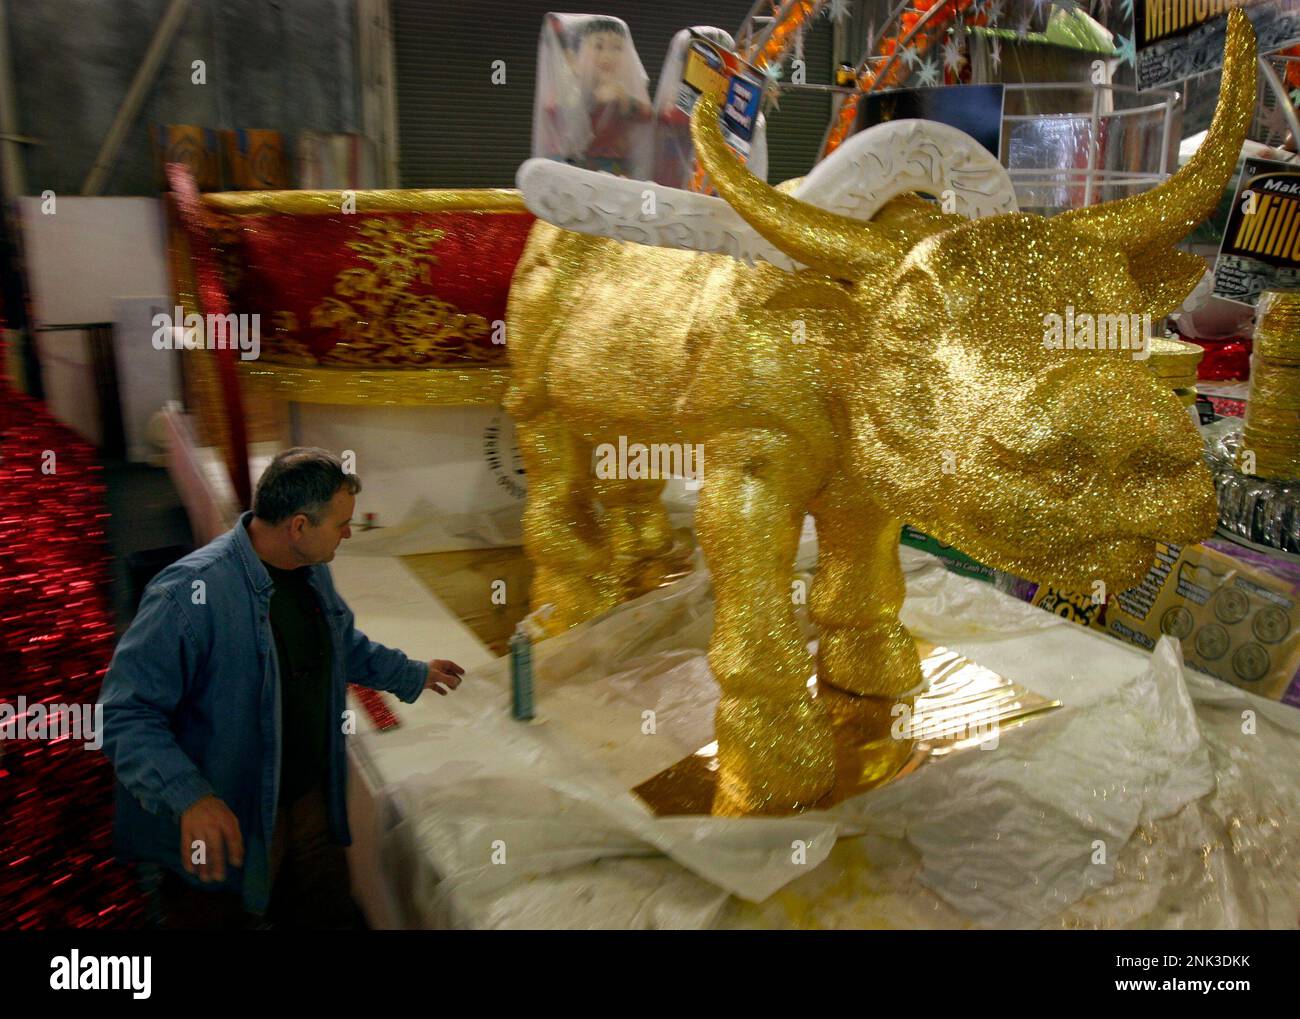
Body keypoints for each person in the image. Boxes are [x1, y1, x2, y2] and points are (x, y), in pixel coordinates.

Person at [99, 447, 465, 929]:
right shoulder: (189, 594)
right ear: (298, 527)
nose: (348, 534)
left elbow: (339, 644)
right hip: (232, 817)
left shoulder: (311, 569)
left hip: (307, 801)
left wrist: (411, 674)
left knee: (322, 908)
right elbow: (124, 712)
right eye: (340, 524)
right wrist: (190, 797)